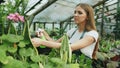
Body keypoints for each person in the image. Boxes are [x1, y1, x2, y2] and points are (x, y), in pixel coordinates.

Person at [31, 3, 99, 60]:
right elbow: (55, 43)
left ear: (87, 17)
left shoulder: (92, 34)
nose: (75, 15)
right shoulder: (72, 31)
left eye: (80, 13)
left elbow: (69, 47)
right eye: (75, 12)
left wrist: (42, 42)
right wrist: (45, 34)